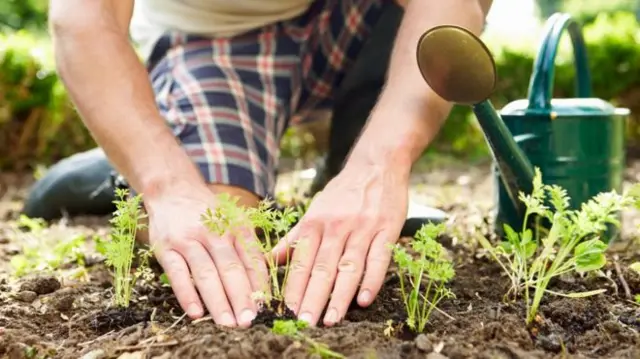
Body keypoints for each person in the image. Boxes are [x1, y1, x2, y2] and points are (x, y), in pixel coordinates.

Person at [44, 0, 492, 329]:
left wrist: (378, 166)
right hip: (215, 36)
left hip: (359, 18)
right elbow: (83, 19)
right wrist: (166, 185)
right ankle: (142, 153)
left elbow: (450, 7)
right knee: (222, 224)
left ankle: (345, 169)